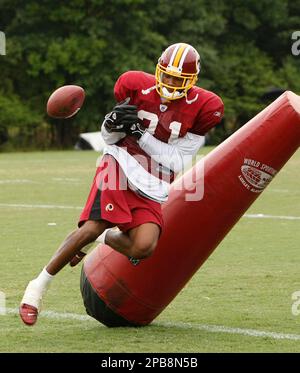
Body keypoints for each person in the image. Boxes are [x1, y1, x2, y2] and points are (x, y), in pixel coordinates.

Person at [19, 42, 224, 326]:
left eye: (179, 80)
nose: (170, 83)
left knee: (143, 247)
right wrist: (110, 123)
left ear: (192, 82)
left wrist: (139, 133)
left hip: (155, 179)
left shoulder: (206, 107)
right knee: (93, 224)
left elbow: (177, 162)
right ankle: (37, 287)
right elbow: (110, 137)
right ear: (158, 70)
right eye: (166, 76)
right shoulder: (135, 85)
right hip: (119, 162)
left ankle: (101, 238)